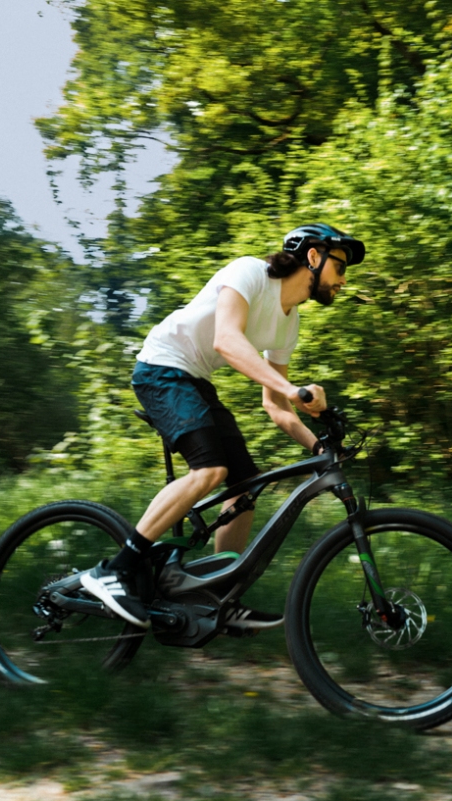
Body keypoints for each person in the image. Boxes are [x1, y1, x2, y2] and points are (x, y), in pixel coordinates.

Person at [78, 223, 365, 632]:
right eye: (340, 266)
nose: (343, 280)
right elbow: (226, 341)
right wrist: (295, 389)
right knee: (211, 470)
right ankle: (113, 570)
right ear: (313, 258)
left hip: (195, 379)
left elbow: (275, 404)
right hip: (161, 367)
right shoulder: (249, 272)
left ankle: (216, 598)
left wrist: (317, 445)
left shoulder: (289, 321)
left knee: (245, 485)